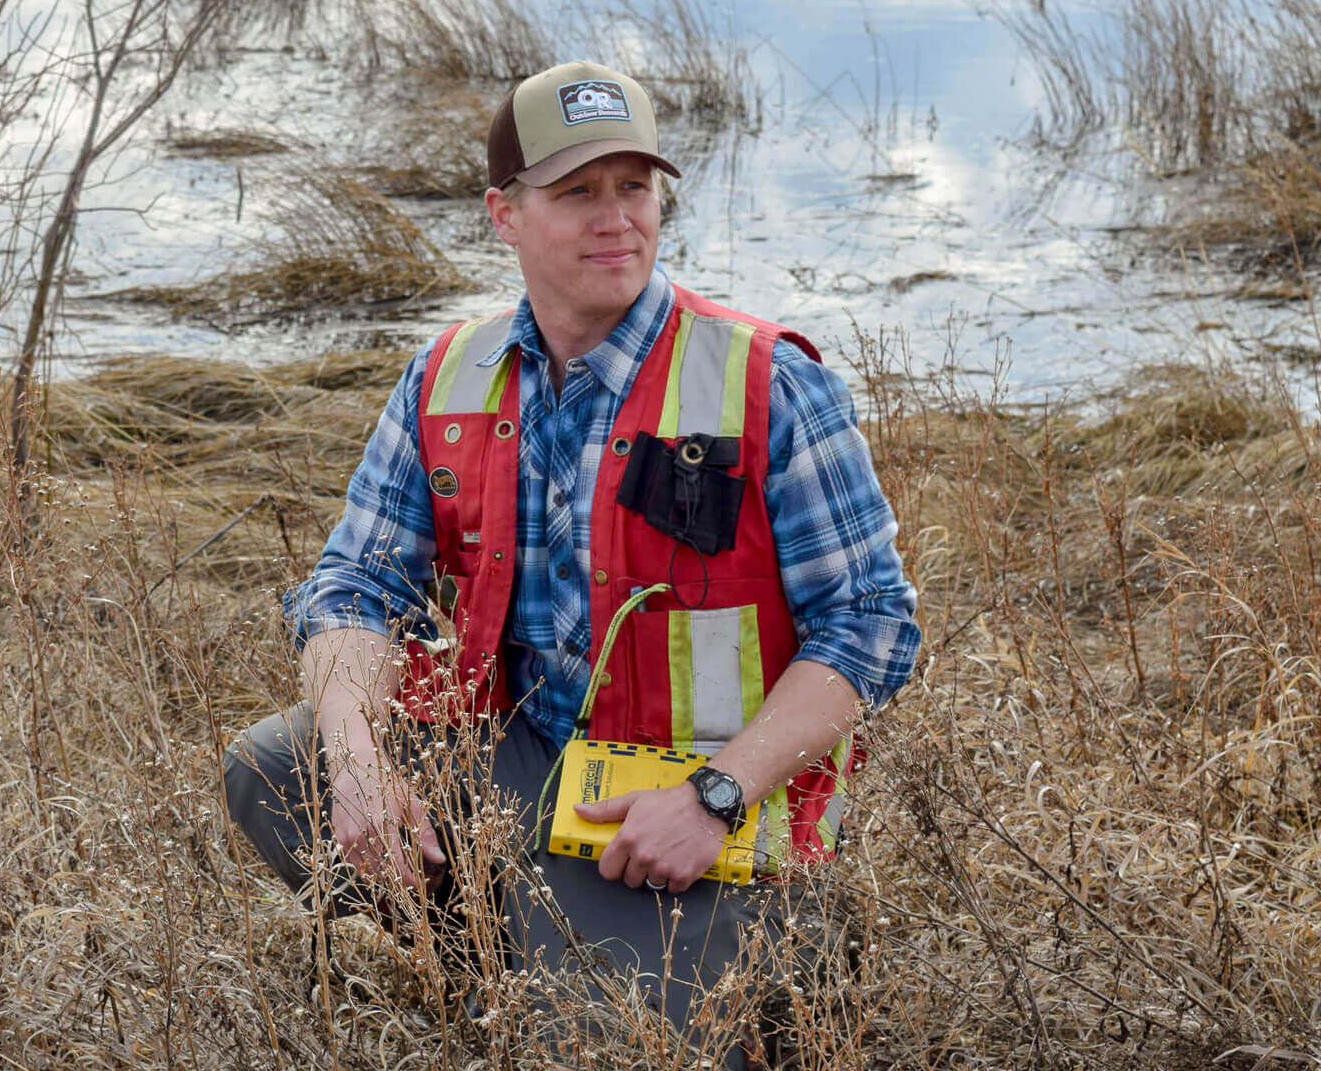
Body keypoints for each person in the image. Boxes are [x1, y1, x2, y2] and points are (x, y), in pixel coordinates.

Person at [222, 60, 919, 1063]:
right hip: (525, 753)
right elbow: (353, 588)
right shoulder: (447, 375)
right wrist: (359, 763)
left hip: (692, 798)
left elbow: (875, 628)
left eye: (635, 187)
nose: (616, 220)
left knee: (594, 1050)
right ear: (503, 214)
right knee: (271, 768)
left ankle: (715, 956)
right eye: (577, 192)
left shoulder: (771, 382)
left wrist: (714, 799)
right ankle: (506, 950)